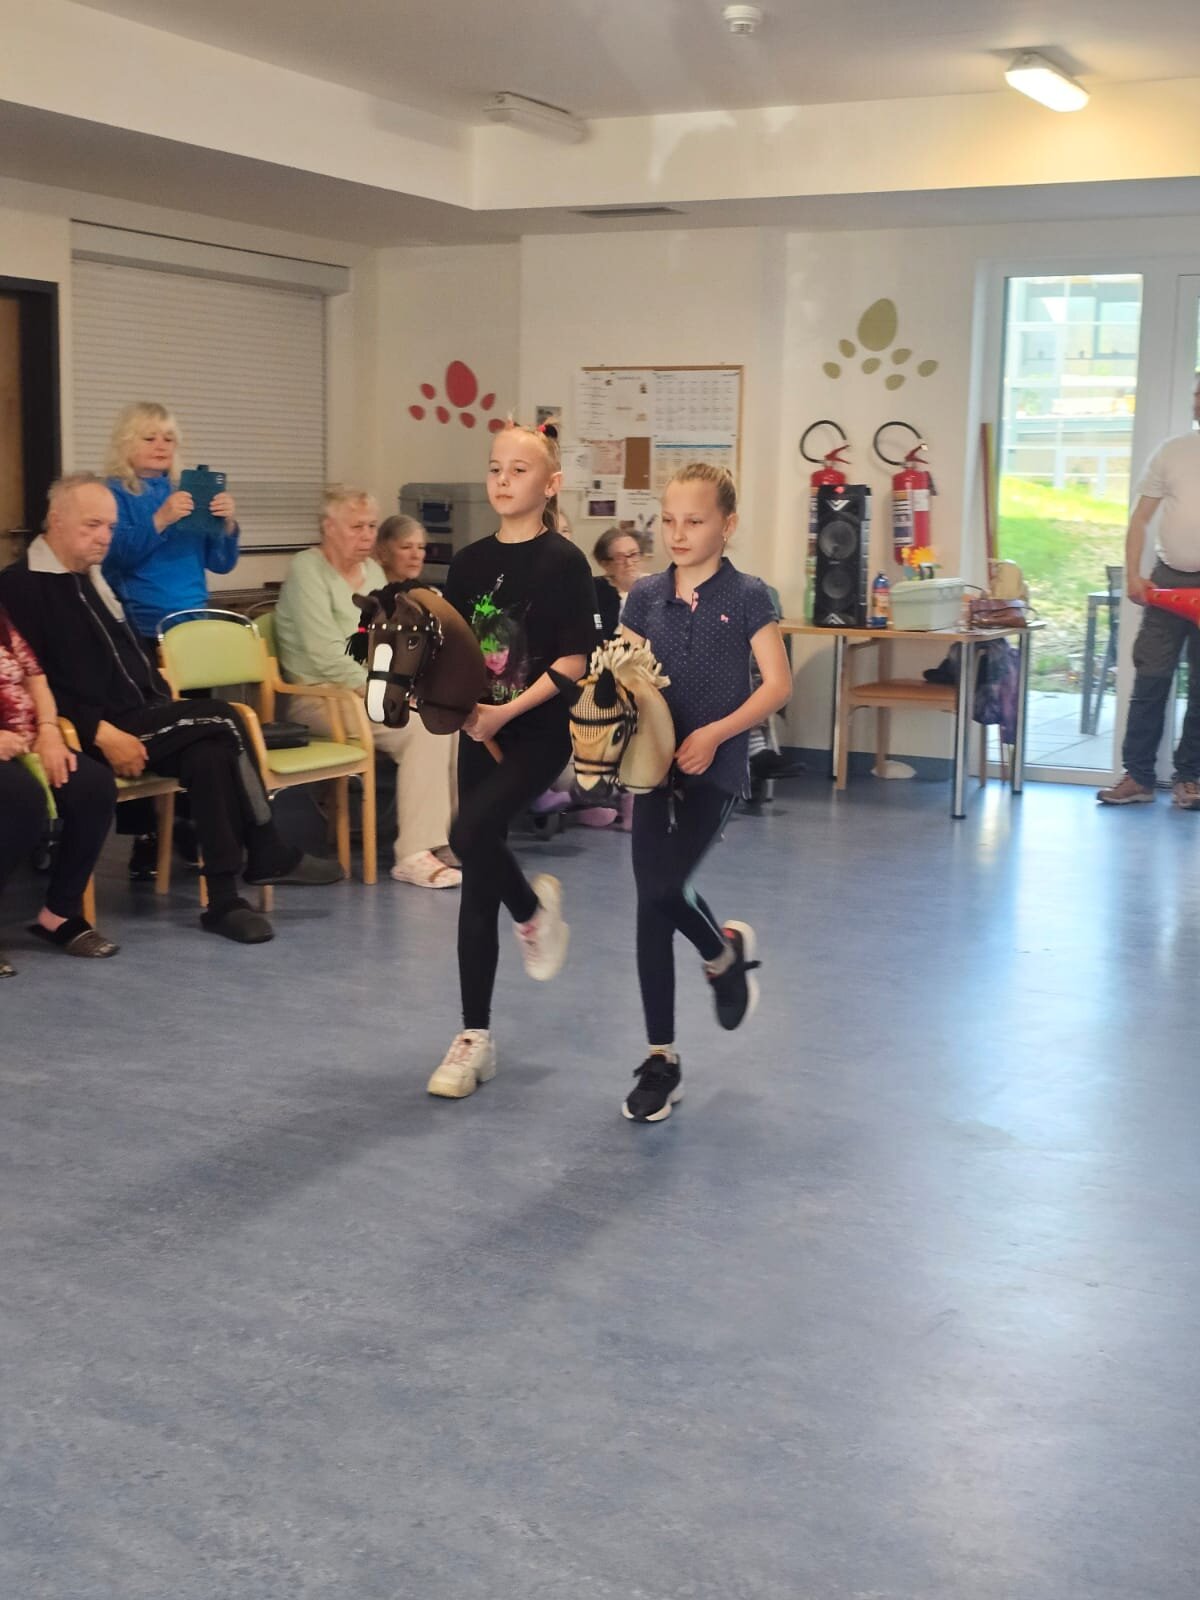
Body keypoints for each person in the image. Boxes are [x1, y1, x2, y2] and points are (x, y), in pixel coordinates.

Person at [0, 475, 342, 946]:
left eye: (110, 527)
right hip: (100, 729)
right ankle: (266, 846)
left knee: (212, 753)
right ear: (56, 521)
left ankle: (223, 901)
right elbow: (36, 678)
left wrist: (159, 698)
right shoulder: (21, 586)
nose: (104, 537)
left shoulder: (91, 575)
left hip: (144, 714)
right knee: (225, 717)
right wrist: (98, 731)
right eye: (92, 525)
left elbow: (127, 659)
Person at [618, 462, 791, 1123]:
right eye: (668, 520)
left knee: (665, 889)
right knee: (650, 904)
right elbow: (622, 674)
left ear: (728, 524)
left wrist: (716, 734)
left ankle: (721, 956)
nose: (678, 533)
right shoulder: (644, 595)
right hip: (651, 767)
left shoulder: (749, 596)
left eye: (694, 520)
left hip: (716, 768)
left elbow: (777, 684)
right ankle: (661, 1057)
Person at [428, 422, 597, 1099]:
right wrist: (449, 701)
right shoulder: (468, 562)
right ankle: (475, 1038)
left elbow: (574, 661)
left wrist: (505, 712)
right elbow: (454, 649)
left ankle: (529, 909)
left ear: (550, 484)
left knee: (468, 832)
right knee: (475, 874)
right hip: (478, 730)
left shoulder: (565, 562)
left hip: (537, 733)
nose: (502, 480)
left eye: (519, 470)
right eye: (495, 468)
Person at [275, 488, 459, 889]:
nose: (367, 535)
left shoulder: (373, 573)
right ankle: (413, 854)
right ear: (329, 528)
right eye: (356, 526)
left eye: (372, 526)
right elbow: (325, 653)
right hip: (319, 696)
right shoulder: (307, 570)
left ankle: (442, 839)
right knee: (420, 728)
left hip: (367, 692)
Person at [101, 402, 239, 879]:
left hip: (192, 629)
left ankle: (189, 824)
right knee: (146, 730)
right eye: (150, 437)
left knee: (197, 731)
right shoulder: (114, 494)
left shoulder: (189, 490)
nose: (161, 446)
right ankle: (144, 836)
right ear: (127, 443)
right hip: (141, 628)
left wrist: (227, 525)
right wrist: (158, 520)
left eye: (168, 438)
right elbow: (112, 558)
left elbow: (221, 563)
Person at [1099, 373, 1200, 810]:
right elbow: (1139, 519)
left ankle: (1190, 779)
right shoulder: (1172, 451)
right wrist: (1134, 576)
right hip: (1167, 583)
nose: (1197, 401)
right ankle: (1138, 777)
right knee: (1151, 680)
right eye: (1196, 393)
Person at [0, 602, 119, 974]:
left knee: (93, 785)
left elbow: (35, 678)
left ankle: (59, 912)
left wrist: (49, 730)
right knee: (22, 800)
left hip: (25, 742)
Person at [593, 526, 647, 639]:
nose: (629, 563)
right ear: (605, 564)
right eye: (620, 558)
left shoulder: (657, 588)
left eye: (633, 554)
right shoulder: (594, 592)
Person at [375, 514, 429, 586]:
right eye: (406, 547)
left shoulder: (431, 592)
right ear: (383, 553)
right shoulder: (367, 590)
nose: (416, 556)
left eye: (421, 547)